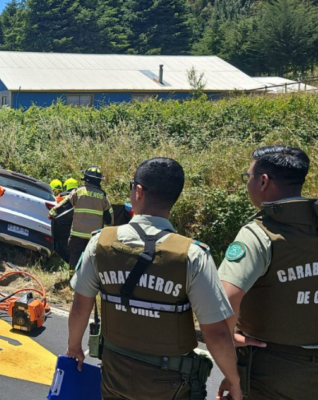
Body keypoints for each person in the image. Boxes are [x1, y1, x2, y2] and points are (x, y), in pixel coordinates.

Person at [66, 157, 242, 400]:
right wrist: (232, 380)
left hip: (114, 376)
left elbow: (80, 305)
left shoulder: (101, 242)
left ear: (138, 191)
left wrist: (74, 347)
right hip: (170, 385)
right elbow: (216, 333)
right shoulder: (192, 255)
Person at [218, 145, 317, 400]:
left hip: (271, 371)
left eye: (248, 177)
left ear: (263, 181)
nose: (247, 183)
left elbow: (224, 300)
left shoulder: (259, 233)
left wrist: (229, 350)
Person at [65, 166, 112, 274]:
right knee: (91, 262)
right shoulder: (103, 196)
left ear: (86, 179)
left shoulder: (78, 192)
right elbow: (109, 217)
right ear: (99, 180)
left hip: (77, 235)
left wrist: (53, 212)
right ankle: (88, 284)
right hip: (94, 238)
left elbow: (65, 205)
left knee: (74, 259)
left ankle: (72, 281)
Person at [49, 178, 79, 264]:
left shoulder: (59, 198)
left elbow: (54, 209)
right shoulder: (79, 198)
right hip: (75, 227)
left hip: (60, 227)